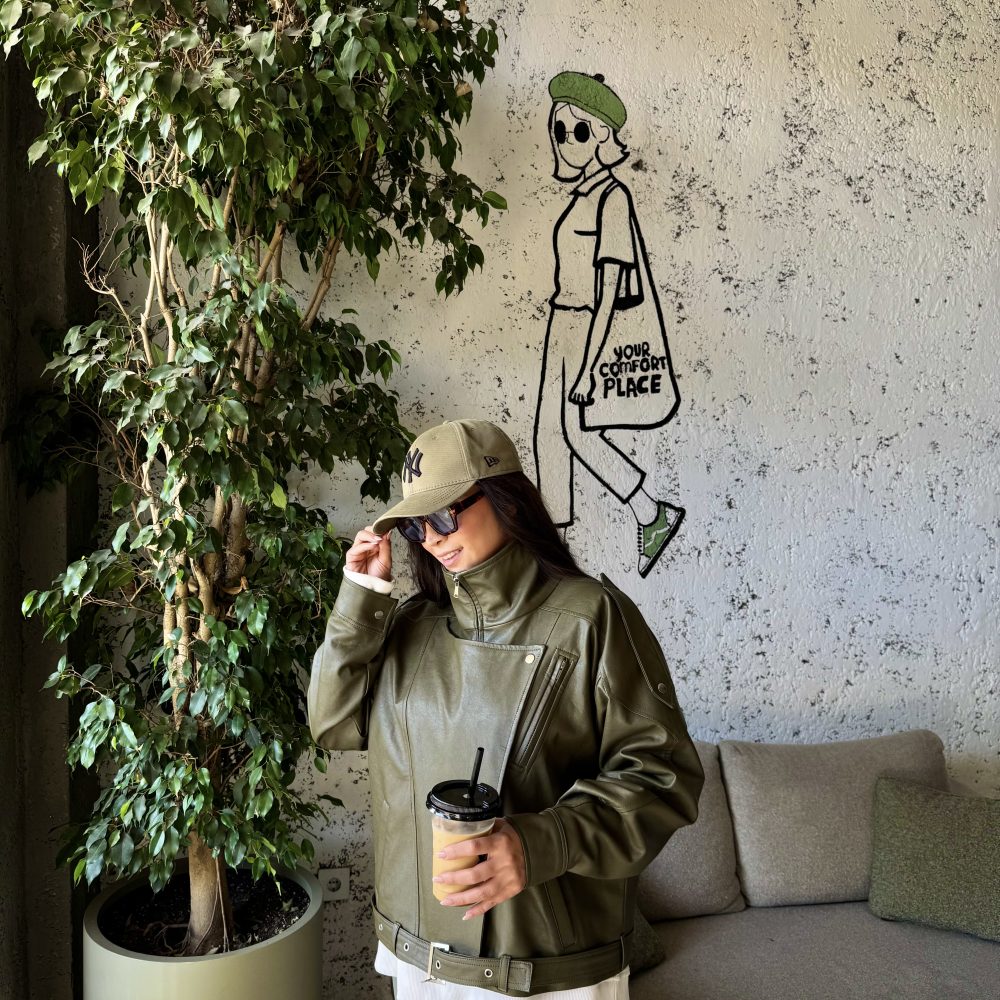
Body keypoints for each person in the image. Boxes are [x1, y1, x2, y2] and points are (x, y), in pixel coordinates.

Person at [309, 418, 704, 999]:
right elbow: (333, 725)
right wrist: (360, 599)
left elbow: (664, 777)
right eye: (415, 525)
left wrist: (538, 843)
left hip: (544, 970)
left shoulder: (591, 618)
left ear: (505, 500)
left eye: (444, 514)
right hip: (415, 955)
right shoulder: (412, 624)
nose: (431, 537)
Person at [533, 71, 685, 578]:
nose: (566, 141)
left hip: (585, 329)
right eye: (560, 130)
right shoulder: (580, 197)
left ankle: (649, 510)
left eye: (579, 131)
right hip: (560, 323)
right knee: (549, 437)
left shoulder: (613, 199)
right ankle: (552, 552)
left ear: (602, 136)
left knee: (578, 433)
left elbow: (609, 294)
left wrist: (589, 368)